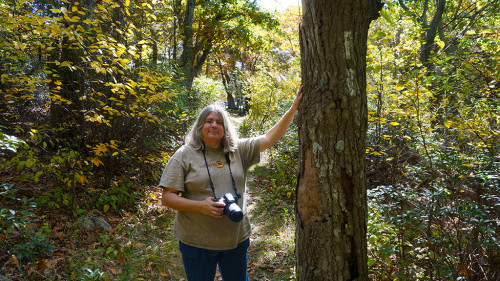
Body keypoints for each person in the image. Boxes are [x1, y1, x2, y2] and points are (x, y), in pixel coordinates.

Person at [159, 84, 303, 281]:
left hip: (235, 237)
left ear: (226, 128)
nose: (214, 125)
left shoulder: (238, 150)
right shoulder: (184, 155)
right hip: (197, 240)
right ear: (200, 127)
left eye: (219, 122)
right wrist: (200, 206)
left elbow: (269, 138)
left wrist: (294, 108)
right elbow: (167, 198)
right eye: (209, 121)